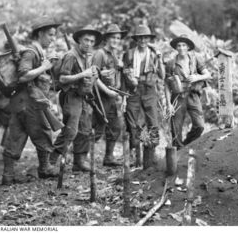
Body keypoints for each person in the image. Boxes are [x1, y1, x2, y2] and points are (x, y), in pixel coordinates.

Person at [49, 25, 118, 172]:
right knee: (71, 130)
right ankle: (51, 160)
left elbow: (91, 74)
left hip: (84, 96)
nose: (89, 43)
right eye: (86, 40)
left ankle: (79, 162)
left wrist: (97, 75)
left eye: (92, 41)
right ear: (79, 40)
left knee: (85, 129)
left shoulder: (88, 56)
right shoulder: (71, 55)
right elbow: (62, 78)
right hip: (71, 95)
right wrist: (82, 75)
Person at [2, 16, 61, 185]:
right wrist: (45, 67)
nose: (52, 38)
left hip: (20, 102)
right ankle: (45, 168)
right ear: (41, 34)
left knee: (16, 135)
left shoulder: (35, 52)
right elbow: (23, 76)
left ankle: (8, 175)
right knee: (43, 132)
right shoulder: (30, 52)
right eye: (50, 35)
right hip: (29, 102)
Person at [122, 25, 165, 166]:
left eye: (145, 37)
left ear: (149, 39)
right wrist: (129, 79)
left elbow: (162, 75)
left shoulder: (153, 54)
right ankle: (135, 157)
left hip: (149, 90)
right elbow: (124, 72)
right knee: (133, 123)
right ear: (136, 39)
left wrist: (160, 58)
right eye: (140, 37)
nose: (142, 40)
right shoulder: (128, 54)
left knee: (153, 123)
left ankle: (150, 157)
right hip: (133, 91)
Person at [164, 35, 211, 150]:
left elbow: (208, 75)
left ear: (188, 46)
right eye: (179, 45)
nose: (181, 48)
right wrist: (168, 104)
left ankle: (187, 144)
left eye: (184, 45)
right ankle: (178, 152)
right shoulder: (171, 63)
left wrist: (196, 77)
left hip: (193, 95)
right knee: (176, 128)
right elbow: (166, 84)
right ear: (176, 47)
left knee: (199, 126)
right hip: (178, 97)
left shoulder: (195, 59)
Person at [92, 24, 127, 167]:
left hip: (111, 97)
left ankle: (109, 157)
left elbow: (116, 77)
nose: (116, 40)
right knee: (97, 128)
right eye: (113, 37)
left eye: (118, 38)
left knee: (115, 127)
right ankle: (78, 158)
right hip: (100, 96)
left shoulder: (115, 55)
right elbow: (94, 76)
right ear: (106, 38)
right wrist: (107, 91)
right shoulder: (100, 54)